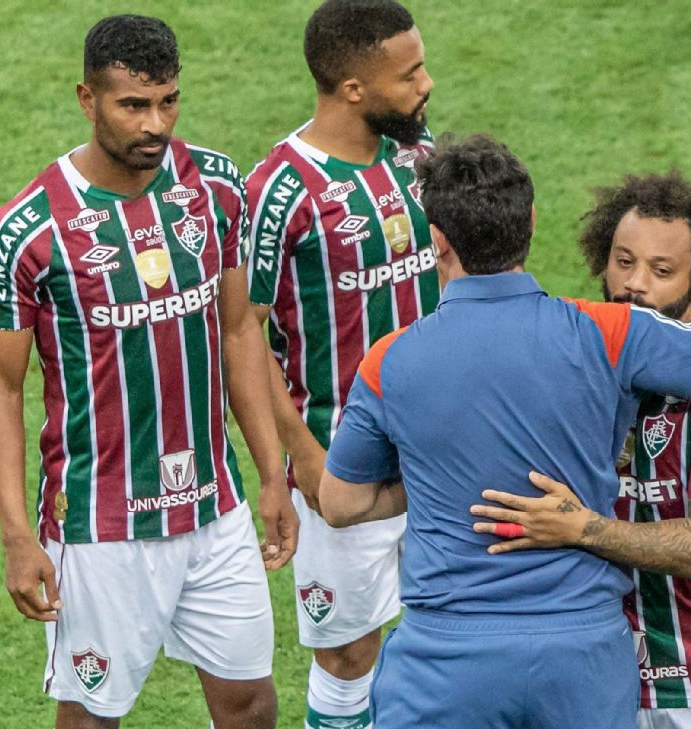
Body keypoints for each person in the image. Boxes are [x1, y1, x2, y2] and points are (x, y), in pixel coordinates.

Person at [317, 135, 691, 729]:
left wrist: (438, 476)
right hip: (583, 660)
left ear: (437, 242)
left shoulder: (389, 363)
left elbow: (341, 503)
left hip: (446, 665)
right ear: (531, 223)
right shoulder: (610, 333)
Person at [0, 15, 297, 728]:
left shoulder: (217, 188)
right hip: (100, 523)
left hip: (216, 507)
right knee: (93, 716)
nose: (156, 124)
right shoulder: (29, 230)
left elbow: (240, 329)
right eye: (133, 105)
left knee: (250, 704)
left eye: (169, 101)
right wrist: (15, 534)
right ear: (87, 99)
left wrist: (273, 472)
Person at [472, 171, 691, 727]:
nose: (634, 285)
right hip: (600, 690)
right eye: (623, 262)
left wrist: (581, 529)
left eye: (661, 271)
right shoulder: (576, 373)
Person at [244, 1, 435, 726]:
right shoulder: (279, 190)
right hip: (340, 460)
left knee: (447, 634)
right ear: (353, 88)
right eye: (409, 72)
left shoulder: (422, 159)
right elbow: (244, 335)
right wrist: (304, 457)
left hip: (438, 449)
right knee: (349, 654)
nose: (425, 83)